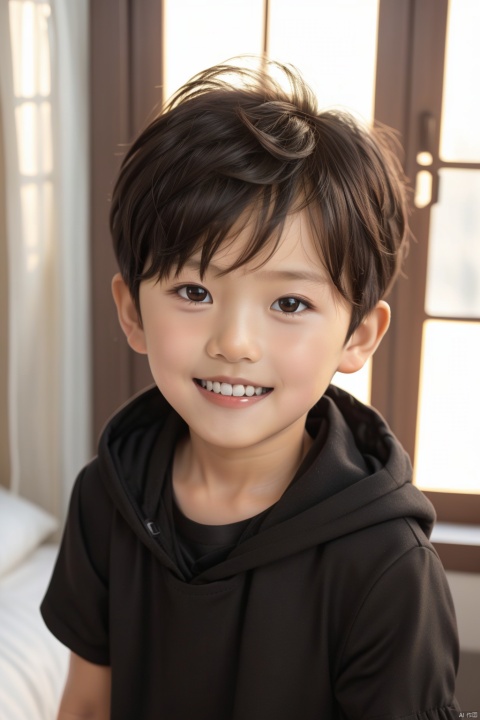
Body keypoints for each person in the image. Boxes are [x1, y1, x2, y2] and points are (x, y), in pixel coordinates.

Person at [41, 60, 460, 720]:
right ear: (132, 313)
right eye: (194, 292)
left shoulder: (386, 568)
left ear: (358, 336)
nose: (235, 342)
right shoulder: (106, 498)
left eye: (290, 303)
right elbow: (89, 704)